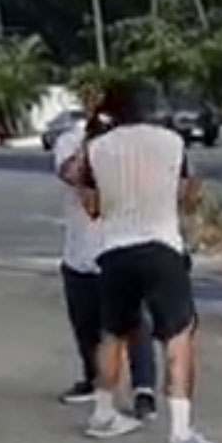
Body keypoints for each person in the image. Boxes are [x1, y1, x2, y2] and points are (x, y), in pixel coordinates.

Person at [60, 79, 214, 443]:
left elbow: (91, 205)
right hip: (161, 247)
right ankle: (180, 433)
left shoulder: (97, 148)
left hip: (114, 251)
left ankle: (103, 414)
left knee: (113, 334)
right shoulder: (172, 142)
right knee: (178, 334)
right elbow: (190, 194)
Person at [52, 107, 159, 417]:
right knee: (85, 324)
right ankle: (94, 379)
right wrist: (90, 142)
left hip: (124, 246)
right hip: (81, 252)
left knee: (135, 323)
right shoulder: (70, 141)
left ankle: (144, 392)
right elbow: (72, 175)